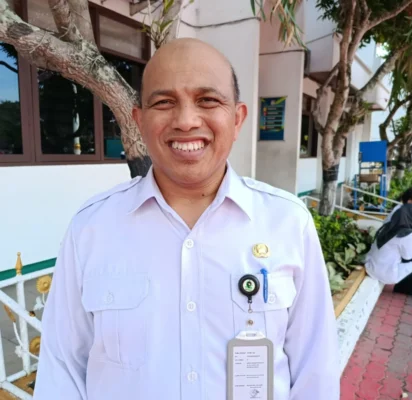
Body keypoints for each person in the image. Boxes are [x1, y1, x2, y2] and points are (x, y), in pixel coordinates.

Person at [33, 38, 339, 400]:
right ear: (139, 121)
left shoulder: (287, 223)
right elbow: (62, 371)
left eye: (207, 100)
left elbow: (315, 371)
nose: (186, 121)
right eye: (164, 102)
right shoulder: (92, 228)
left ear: (237, 118)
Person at [365, 203, 412, 297]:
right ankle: (404, 288)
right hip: (385, 274)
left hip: (371, 267)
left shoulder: (388, 226)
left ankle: (406, 287)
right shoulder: (408, 234)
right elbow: (407, 258)